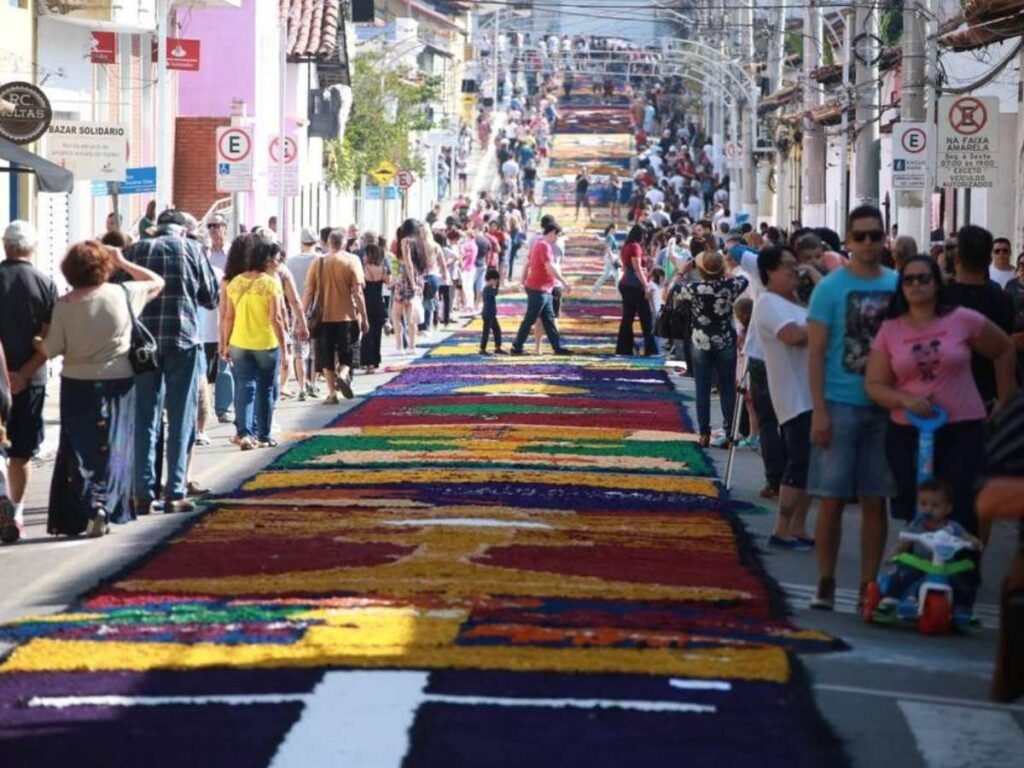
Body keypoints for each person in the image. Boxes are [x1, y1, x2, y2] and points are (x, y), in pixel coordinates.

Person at [14, 243, 164, 537]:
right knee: (116, 444)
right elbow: (157, 282)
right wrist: (122, 261)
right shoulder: (123, 294)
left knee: (80, 448)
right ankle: (110, 504)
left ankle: (91, 503)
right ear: (103, 267)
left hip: (77, 383)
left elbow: (51, 348)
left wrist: (32, 348)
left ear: (69, 271)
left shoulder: (65, 305)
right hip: (119, 382)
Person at [866, 255, 1015, 537]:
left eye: (924, 278)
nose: (916, 285)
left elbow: (1004, 349)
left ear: (937, 283)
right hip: (909, 432)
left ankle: (963, 573)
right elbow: (875, 384)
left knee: (962, 507)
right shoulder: (891, 329)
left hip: (962, 429)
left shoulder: (962, 319)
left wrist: (1005, 400)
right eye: (909, 279)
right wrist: (905, 400)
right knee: (917, 506)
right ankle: (919, 568)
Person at [806, 204, 897, 610]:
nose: (867, 243)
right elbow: (816, 354)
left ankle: (868, 586)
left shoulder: (898, 285)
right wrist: (819, 410)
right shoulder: (829, 289)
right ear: (847, 241)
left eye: (874, 236)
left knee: (877, 500)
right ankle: (826, 581)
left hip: (887, 407)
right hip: (840, 404)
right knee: (832, 498)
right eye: (859, 236)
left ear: (884, 239)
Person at [123, 209, 219, 516]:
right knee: (181, 417)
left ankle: (142, 491)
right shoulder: (192, 249)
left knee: (145, 416)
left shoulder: (135, 249)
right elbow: (210, 297)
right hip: (183, 341)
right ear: (181, 230)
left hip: (142, 344)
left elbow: (116, 291)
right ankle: (175, 491)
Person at [752, 246, 815, 550]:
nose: (795, 272)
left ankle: (799, 527)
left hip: (815, 394)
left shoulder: (800, 303)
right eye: (788, 267)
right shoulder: (767, 302)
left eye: (796, 266)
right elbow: (794, 336)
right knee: (798, 462)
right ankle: (781, 528)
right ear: (770, 272)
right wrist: (826, 324)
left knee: (812, 465)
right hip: (794, 397)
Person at [0, 221, 58, 542]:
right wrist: (22, 373)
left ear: (5, 245)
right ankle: (17, 512)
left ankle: (2, 502)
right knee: (22, 451)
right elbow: (50, 337)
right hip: (32, 381)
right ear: (31, 248)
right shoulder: (45, 284)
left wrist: (5, 374)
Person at [872, 479, 982, 628]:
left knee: (961, 582)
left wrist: (973, 542)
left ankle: (962, 610)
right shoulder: (917, 525)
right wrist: (894, 553)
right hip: (920, 563)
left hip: (944, 566)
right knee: (904, 574)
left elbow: (966, 537)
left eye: (935, 506)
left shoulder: (952, 527)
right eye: (923, 504)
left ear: (947, 508)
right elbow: (904, 542)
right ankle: (890, 601)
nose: (928, 509)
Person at [220, 240, 288, 450]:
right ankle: (264, 435)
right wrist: (285, 348)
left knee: (244, 387)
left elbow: (228, 317)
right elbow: (276, 318)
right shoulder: (270, 283)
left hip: (239, 342)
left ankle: (244, 434)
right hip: (265, 343)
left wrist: (225, 342)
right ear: (266, 260)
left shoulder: (235, 282)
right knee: (265, 389)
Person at [682, 250, 749, 447]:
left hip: (700, 341)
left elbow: (672, 291)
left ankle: (704, 433)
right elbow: (744, 278)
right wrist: (726, 271)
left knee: (702, 387)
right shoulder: (730, 286)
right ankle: (729, 433)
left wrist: (682, 272)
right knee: (727, 388)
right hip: (724, 340)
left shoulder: (693, 288)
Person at [946, 225, 1015, 410]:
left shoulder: (942, 298)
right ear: (988, 259)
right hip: (989, 397)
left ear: (957, 258)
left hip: (948, 398)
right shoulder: (1002, 298)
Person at [304, 230, 368, 402]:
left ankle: (332, 393)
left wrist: (301, 316)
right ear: (345, 243)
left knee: (326, 355)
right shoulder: (352, 261)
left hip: (324, 318)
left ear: (328, 243)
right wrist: (364, 317)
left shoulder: (318, 263)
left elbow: (309, 291)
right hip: (347, 316)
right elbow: (358, 293)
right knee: (349, 352)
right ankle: (343, 373)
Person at [510, 223, 572, 356]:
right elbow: (550, 267)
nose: (557, 238)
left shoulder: (539, 243)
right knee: (530, 319)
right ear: (552, 233)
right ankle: (517, 346)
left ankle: (557, 347)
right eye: (557, 235)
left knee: (549, 319)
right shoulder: (544, 246)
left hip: (544, 289)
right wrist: (564, 282)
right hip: (538, 289)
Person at [286, 228, 322, 397]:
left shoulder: (290, 262)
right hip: (316, 310)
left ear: (301, 243)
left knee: (299, 351)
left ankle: (301, 387)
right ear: (316, 243)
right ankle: (313, 384)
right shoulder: (320, 260)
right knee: (315, 350)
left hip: (296, 311)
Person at [615, 224, 657, 356]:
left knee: (628, 317)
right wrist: (646, 286)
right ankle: (650, 349)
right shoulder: (635, 247)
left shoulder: (627, 246)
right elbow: (637, 268)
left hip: (627, 284)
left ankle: (624, 348)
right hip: (634, 286)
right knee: (646, 318)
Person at [360, 243, 389, 372]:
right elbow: (389, 283)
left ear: (369, 255)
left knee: (366, 333)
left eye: (365, 254)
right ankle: (374, 361)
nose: (363, 256)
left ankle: (366, 362)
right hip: (378, 303)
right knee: (377, 334)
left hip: (366, 303)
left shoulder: (363, 269)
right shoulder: (383, 269)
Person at [480, 268, 505, 354]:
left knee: (497, 330)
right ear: (491, 280)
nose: (496, 282)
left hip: (491, 314)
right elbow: (497, 292)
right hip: (488, 314)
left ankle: (497, 347)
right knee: (486, 332)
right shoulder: (488, 288)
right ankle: (482, 349)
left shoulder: (489, 288)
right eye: (495, 280)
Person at [593, 224, 620, 292]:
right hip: (611, 256)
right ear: (612, 229)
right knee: (617, 275)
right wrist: (613, 259)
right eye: (616, 229)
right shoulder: (610, 236)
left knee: (606, 274)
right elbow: (608, 248)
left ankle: (595, 288)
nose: (616, 230)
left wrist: (598, 238)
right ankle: (619, 291)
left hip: (609, 257)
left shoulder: (609, 236)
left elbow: (605, 241)